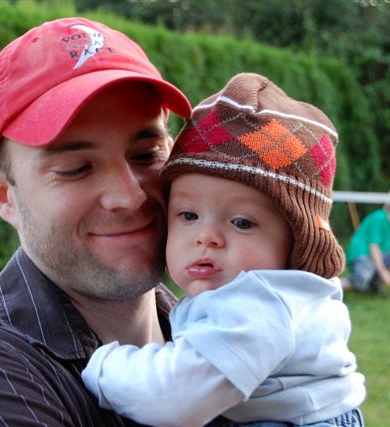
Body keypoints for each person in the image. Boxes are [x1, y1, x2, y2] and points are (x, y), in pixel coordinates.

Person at [0, 17, 192, 426]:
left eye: (146, 155)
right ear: (3, 195)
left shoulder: (219, 328)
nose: (129, 196)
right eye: (75, 168)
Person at [82, 73, 366, 427]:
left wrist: (103, 366)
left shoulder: (258, 305)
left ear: (299, 241)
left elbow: (174, 399)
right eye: (188, 215)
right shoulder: (272, 297)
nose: (207, 237)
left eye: (242, 222)